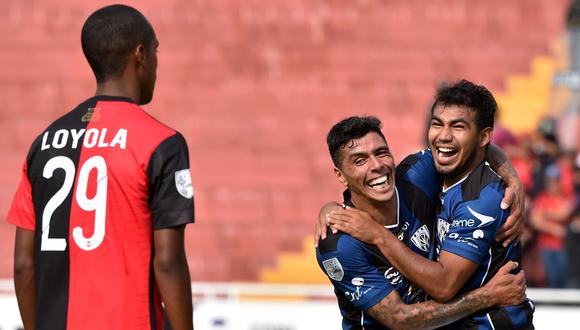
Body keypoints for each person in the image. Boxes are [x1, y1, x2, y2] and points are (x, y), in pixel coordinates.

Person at [7, 5, 194, 330]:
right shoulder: (163, 143)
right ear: (140, 55)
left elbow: (24, 264)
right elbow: (168, 263)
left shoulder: (44, 143)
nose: (157, 62)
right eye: (155, 51)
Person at [326, 80, 534, 329]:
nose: (376, 166)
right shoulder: (341, 244)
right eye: (360, 160)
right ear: (340, 175)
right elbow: (399, 320)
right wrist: (486, 296)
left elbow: (444, 286)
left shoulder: (425, 181)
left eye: (381, 153)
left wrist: (512, 178)